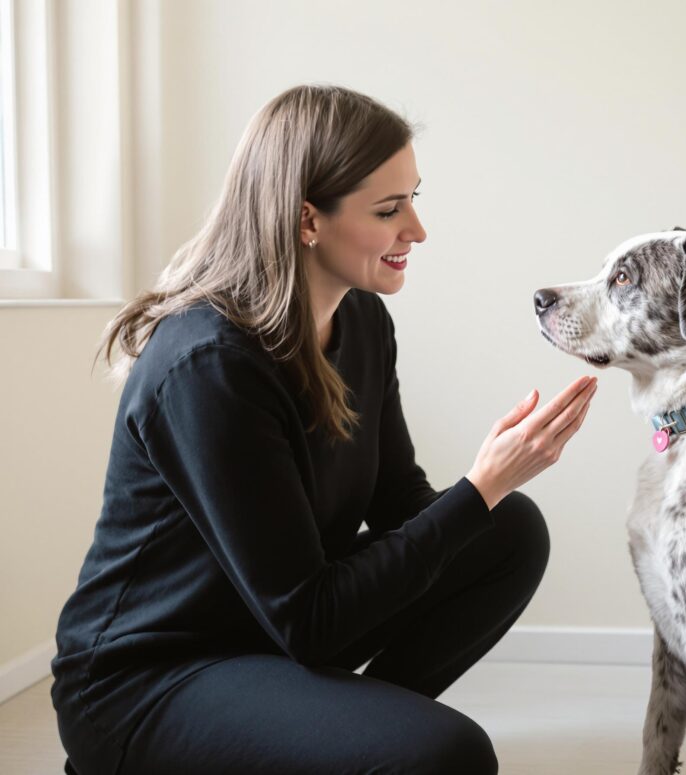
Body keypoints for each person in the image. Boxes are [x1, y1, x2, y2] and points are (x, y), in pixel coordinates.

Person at [50, 83, 597, 775]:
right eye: (389, 209)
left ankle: (342, 740)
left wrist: (491, 489)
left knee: (508, 531)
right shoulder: (209, 363)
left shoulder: (363, 321)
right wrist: (480, 483)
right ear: (307, 219)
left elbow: (400, 501)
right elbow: (311, 619)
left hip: (271, 638)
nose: (417, 230)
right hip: (150, 680)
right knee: (451, 754)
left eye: (414, 199)